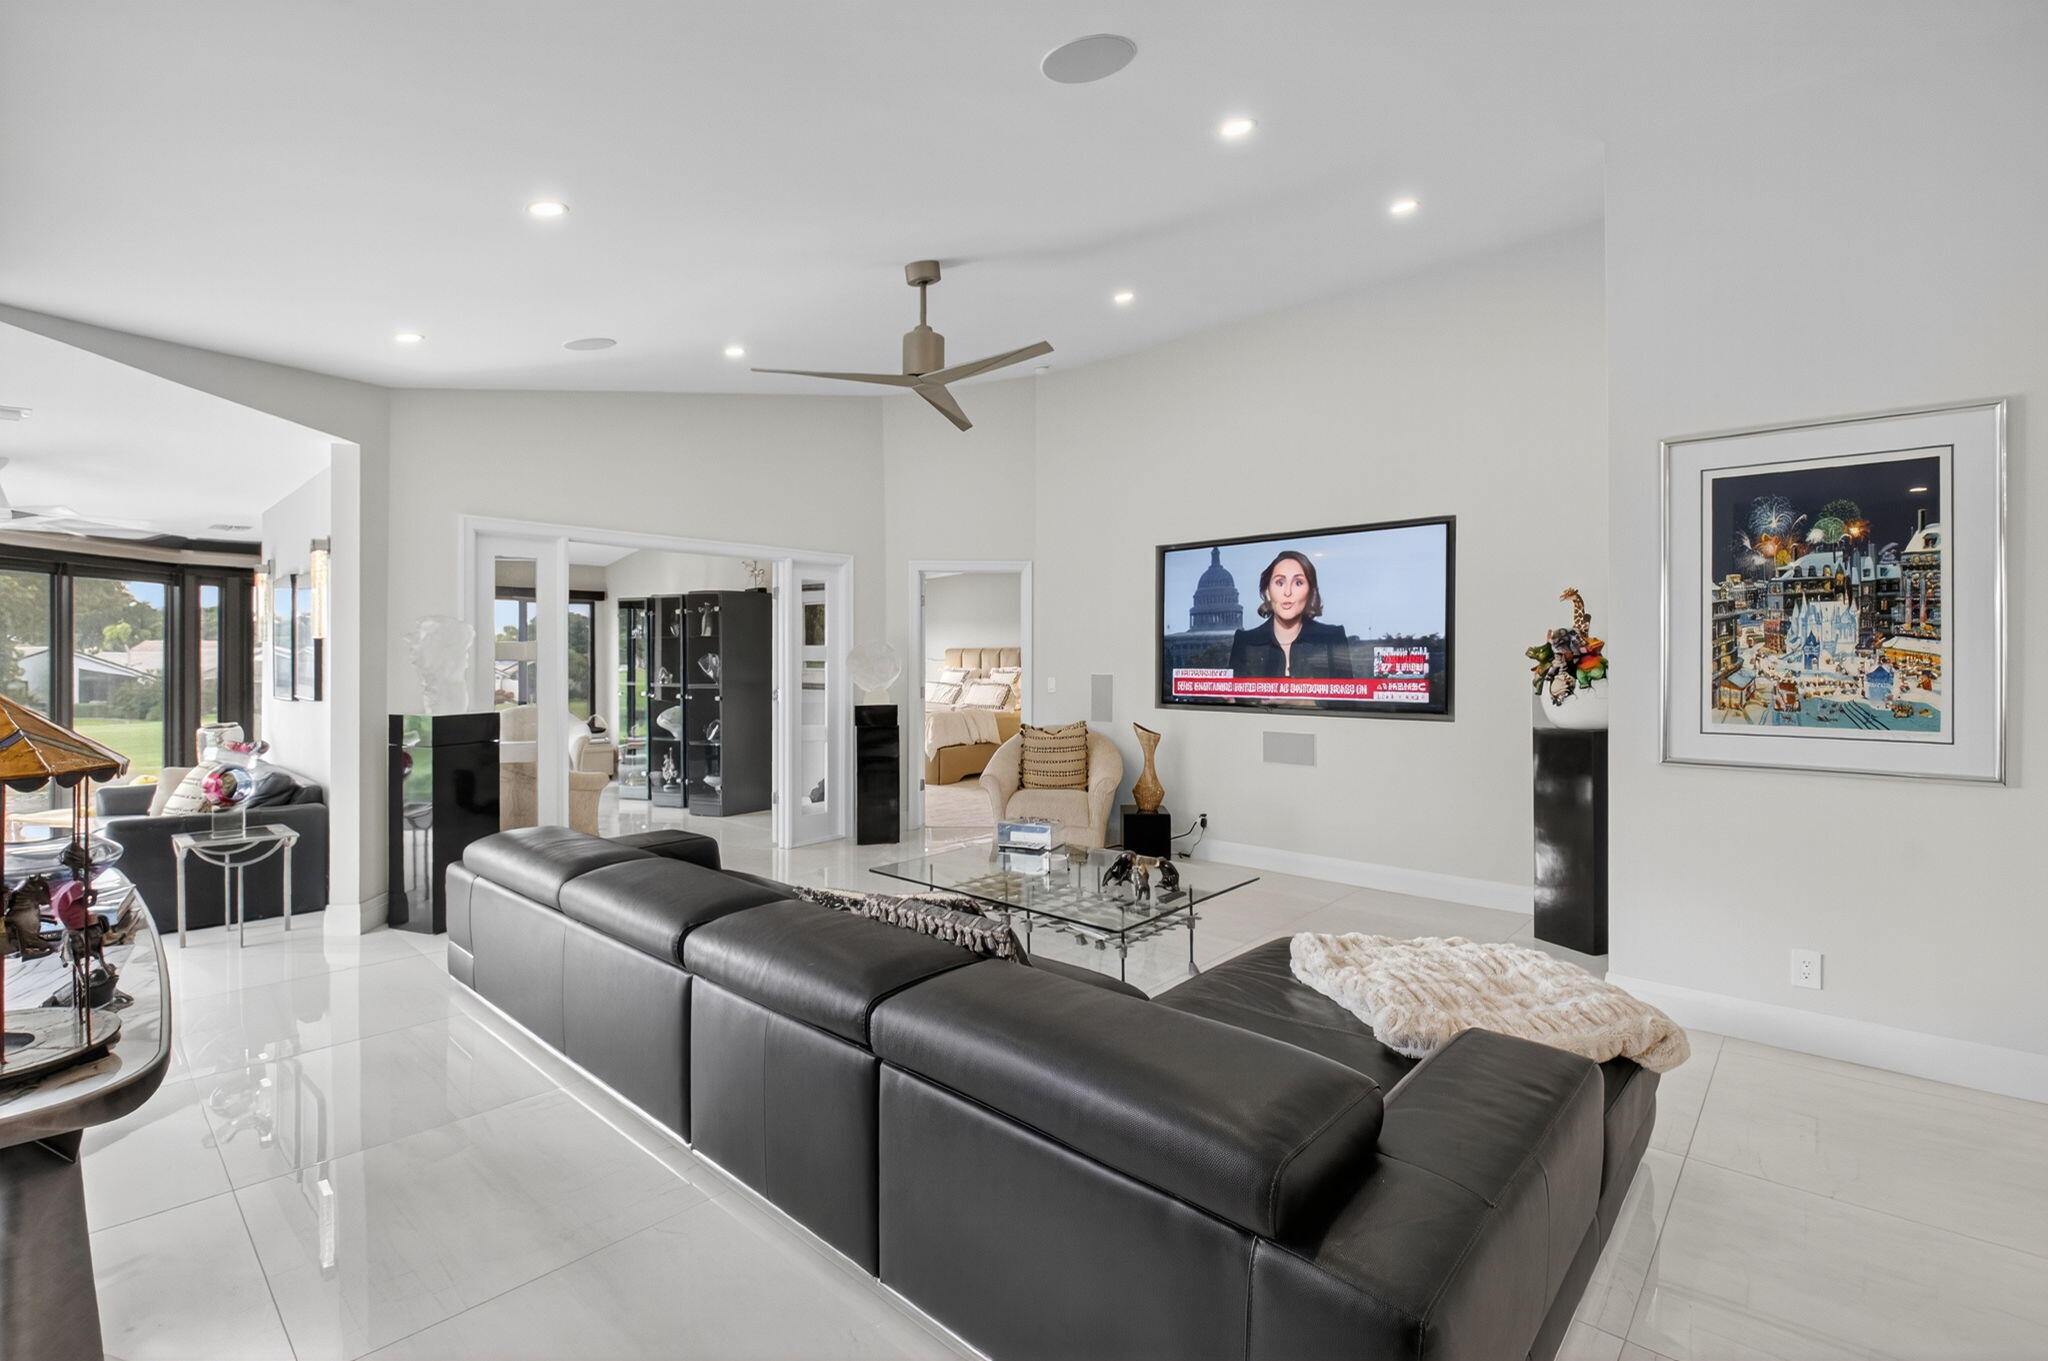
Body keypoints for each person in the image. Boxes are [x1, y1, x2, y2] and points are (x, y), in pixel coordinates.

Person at [1228, 550, 1354, 681]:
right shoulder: (1245, 642)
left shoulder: (1332, 638)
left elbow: (1346, 693)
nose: (1287, 592)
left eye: (1298, 583)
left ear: (1310, 593)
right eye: (1280, 583)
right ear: (1267, 592)